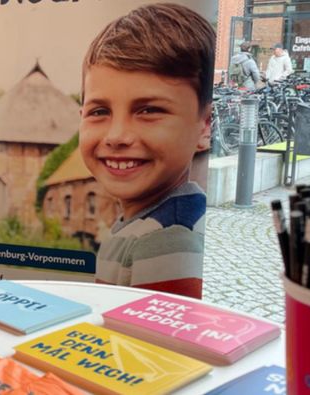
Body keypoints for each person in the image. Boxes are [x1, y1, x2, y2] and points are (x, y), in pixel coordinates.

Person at [80, 3, 213, 299]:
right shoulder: (143, 223)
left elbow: (152, 344)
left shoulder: (167, 240)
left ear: (204, 126)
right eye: (100, 111)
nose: (116, 137)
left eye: (149, 110)